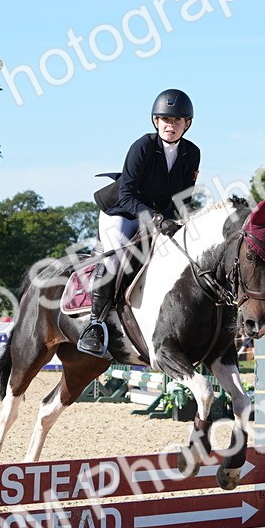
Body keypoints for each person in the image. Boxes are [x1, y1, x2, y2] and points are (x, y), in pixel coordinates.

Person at [77, 88, 201, 357]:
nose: (171, 125)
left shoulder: (192, 153)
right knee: (116, 259)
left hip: (158, 216)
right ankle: (94, 326)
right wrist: (155, 218)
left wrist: (191, 219)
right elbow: (127, 193)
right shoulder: (143, 146)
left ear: (186, 124)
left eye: (177, 120)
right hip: (122, 212)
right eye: (166, 120)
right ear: (156, 121)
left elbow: (183, 198)